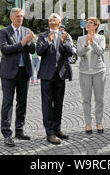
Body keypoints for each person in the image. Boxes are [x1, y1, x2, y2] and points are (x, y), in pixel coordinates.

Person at [0, 8, 36, 147]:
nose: (20, 18)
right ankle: (7, 134)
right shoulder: (4, 31)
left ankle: (19, 130)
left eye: (21, 16)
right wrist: (22, 43)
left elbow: (32, 50)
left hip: (23, 71)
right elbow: (5, 49)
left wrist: (30, 41)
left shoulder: (26, 30)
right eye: (17, 16)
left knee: (22, 102)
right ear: (11, 17)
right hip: (8, 73)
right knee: (7, 103)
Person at [37, 13, 74, 145]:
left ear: (59, 22)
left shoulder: (65, 35)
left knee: (58, 104)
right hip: (47, 75)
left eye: (54, 18)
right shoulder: (42, 36)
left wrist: (64, 42)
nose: (52, 19)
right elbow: (39, 51)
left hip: (60, 75)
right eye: (50, 18)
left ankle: (57, 129)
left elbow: (70, 52)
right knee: (47, 105)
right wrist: (49, 40)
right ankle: (50, 133)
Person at [76, 17, 106, 134]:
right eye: (87, 22)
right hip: (84, 73)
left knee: (99, 99)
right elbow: (79, 53)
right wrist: (85, 45)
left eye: (90, 23)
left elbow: (100, 51)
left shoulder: (101, 38)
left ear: (95, 26)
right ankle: (88, 124)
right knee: (86, 99)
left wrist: (92, 42)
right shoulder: (80, 38)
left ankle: (99, 122)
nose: (87, 24)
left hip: (99, 71)